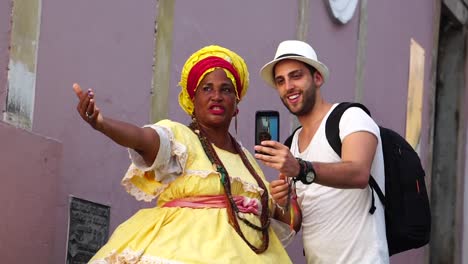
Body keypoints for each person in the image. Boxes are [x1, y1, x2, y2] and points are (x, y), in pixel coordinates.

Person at [73, 45, 301, 263]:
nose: (217, 96)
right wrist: (102, 124)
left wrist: (285, 200)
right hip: (180, 250)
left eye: (226, 90)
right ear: (193, 100)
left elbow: (282, 221)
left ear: (236, 104)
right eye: (207, 88)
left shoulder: (248, 161)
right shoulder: (179, 137)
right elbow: (142, 138)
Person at [254, 40, 389, 263]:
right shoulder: (292, 143)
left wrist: (299, 168)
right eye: (281, 81)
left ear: (317, 78)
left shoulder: (350, 117)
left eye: (296, 76)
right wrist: (282, 203)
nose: (288, 86)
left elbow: (359, 173)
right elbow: (294, 223)